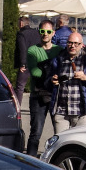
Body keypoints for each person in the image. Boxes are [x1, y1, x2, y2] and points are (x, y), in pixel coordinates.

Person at [48, 31, 86, 133]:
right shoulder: (59, 59)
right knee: (60, 143)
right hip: (61, 111)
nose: (72, 46)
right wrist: (52, 80)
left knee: (78, 144)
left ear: (81, 45)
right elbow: (47, 81)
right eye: (70, 43)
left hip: (81, 111)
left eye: (76, 43)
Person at [23, 21, 62, 156]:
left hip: (55, 95)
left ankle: (57, 160)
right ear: (38, 32)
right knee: (35, 132)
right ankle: (30, 163)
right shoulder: (33, 50)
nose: (45, 34)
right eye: (42, 31)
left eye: (48, 32)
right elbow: (34, 72)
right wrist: (52, 76)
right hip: (38, 95)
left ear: (53, 33)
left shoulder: (59, 50)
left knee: (60, 133)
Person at [12, 15, 37, 108]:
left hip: (26, 64)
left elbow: (22, 49)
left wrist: (22, 64)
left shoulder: (21, 34)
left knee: (20, 87)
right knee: (35, 86)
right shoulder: (36, 32)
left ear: (21, 23)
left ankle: (17, 107)